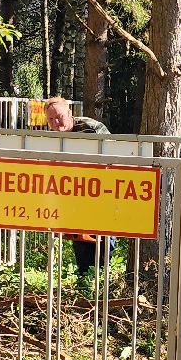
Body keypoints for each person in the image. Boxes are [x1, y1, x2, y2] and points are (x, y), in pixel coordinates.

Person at [43, 97, 112, 277]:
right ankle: (85, 284)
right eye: (51, 119)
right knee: (81, 245)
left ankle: (105, 283)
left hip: (102, 195)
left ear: (69, 113)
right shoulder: (50, 138)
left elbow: (112, 160)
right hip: (74, 199)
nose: (56, 122)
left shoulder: (92, 129)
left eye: (59, 117)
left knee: (104, 244)